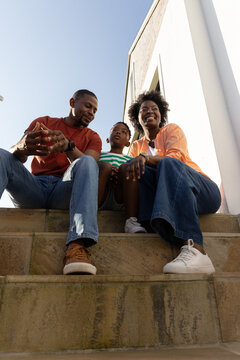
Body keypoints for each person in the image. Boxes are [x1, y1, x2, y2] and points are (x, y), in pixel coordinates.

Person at [0, 89, 102, 275]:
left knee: (86, 162)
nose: (91, 113)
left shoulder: (93, 137)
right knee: (1, 154)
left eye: (95, 110)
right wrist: (22, 147)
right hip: (33, 188)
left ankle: (77, 246)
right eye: (88, 106)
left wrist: (68, 147)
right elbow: (17, 155)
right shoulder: (44, 122)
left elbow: (90, 165)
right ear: (72, 102)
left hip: (63, 190)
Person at [124, 90, 221, 274]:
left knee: (168, 163)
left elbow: (175, 157)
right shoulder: (136, 146)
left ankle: (195, 248)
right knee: (135, 169)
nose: (150, 111)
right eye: (144, 109)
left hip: (202, 191)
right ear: (137, 117)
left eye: (155, 108)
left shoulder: (171, 130)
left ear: (161, 114)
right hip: (172, 198)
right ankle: (149, 223)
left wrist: (145, 158)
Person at [98, 122, 146, 233]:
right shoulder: (99, 155)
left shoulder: (130, 158)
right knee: (104, 167)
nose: (118, 132)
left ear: (128, 143)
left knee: (126, 167)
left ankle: (131, 221)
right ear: (107, 139)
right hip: (100, 196)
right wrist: (108, 171)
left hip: (120, 197)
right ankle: (89, 215)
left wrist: (119, 174)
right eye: (115, 130)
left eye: (124, 132)